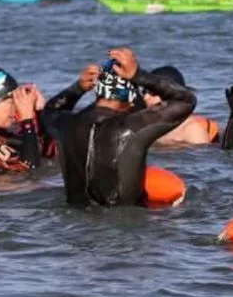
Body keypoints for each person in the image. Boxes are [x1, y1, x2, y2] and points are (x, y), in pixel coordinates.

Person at [39, 48, 196, 207]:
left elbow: (50, 110)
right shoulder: (132, 127)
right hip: (125, 226)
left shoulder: (65, 125)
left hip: (74, 224)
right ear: (131, 98)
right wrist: (139, 75)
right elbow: (186, 101)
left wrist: (77, 88)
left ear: (98, 91)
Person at [145, 66, 220, 146]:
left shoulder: (191, 130)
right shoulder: (149, 124)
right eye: (144, 91)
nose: (145, 97)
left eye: (152, 93)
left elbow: (203, 157)